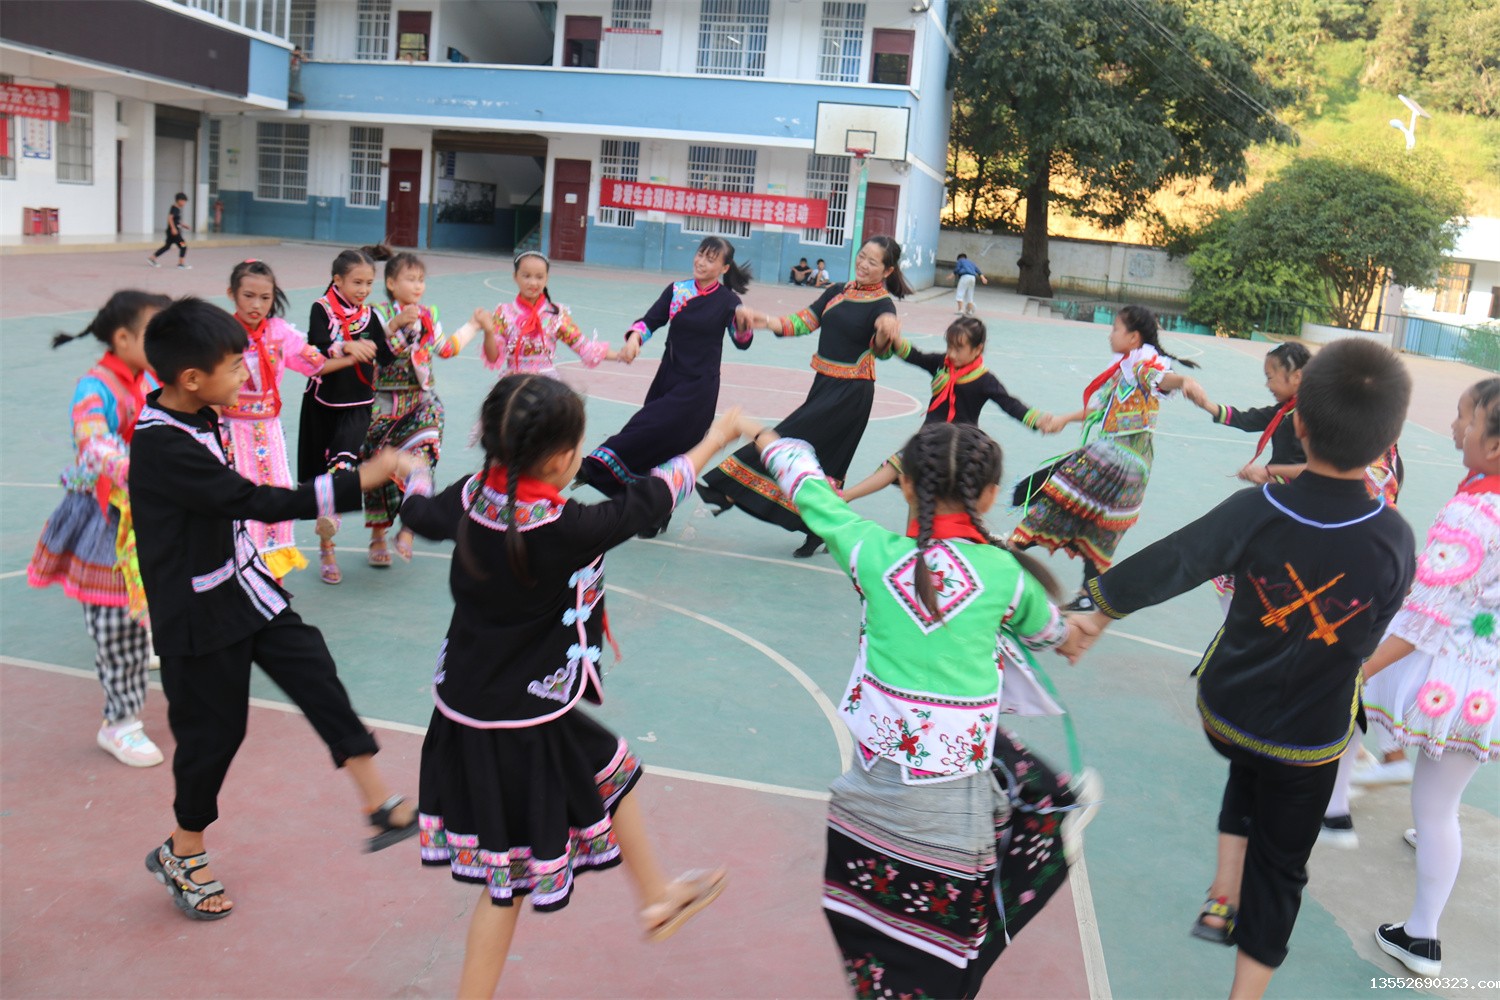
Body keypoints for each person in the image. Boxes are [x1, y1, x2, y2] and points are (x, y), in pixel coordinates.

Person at [1069, 338, 1416, 999]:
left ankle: (1222, 895)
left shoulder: (1258, 508)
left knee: (1250, 763)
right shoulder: (1394, 537)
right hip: (1311, 740)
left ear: (1299, 424)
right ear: (1387, 442)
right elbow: (1372, 632)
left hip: (1229, 714)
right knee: (1281, 869)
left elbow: (1178, 558)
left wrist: (1098, 608)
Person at [399, 375, 737, 996]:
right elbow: (651, 499)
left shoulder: (470, 497)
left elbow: (418, 511)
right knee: (507, 885)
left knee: (612, 766)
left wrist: (413, 471)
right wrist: (718, 436)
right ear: (560, 458)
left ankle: (657, 896)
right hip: (518, 725)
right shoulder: (563, 527)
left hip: (478, 704)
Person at [735, 418, 1085, 998]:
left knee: (877, 954)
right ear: (990, 496)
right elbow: (1051, 632)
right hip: (951, 827)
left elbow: (811, 491)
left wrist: (771, 440)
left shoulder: (871, 553)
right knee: (1036, 813)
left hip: (866, 808)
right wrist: (1073, 634)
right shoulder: (1004, 576)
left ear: (905, 487)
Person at [129, 297, 423, 921]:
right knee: (215, 735)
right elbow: (256, 500)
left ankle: (379, 802)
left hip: (243, 585)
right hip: (198, 614)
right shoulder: (162, 445)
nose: (247, 373)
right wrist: (361, 479)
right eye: (235, 366)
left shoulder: (199, 413)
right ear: (191, 378)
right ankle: (184, 848)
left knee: (313, 667)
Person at [1360, 377, 1500, 977]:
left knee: (1435, 808)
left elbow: (1425, 616)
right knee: (1443, 802)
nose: (1454, 426)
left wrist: (1363, 668)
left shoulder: (1474, 510)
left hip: (1453, 674)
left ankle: (1421, 937)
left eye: (1466, 418)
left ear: (1493, 443)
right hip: (1486, 674)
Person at [697, 236, 911, 557]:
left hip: (850, 394)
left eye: (873, 262)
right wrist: (765, 321)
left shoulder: (884, 306)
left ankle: (728, 492)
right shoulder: (837, 291)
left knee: (785, 441)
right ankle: (816, 529)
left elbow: (882, 350)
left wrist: (885, 330)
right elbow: (804, 321)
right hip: (823, 386)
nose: (863, 264)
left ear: (888, 270)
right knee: (819, 463)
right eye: (862, 256)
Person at [28, 290, 171, 766]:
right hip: (108, 518)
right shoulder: (95, 388)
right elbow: (93, 443)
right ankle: (120, 722)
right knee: (114, 624)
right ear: (123, 338)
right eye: (155, 332)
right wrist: (137, 470)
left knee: (155, 597)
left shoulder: (152, 376)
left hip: (152, 511)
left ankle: (145, 638)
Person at [1010, 304, 1200, 599]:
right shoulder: (1124, 369)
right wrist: (1063, 419)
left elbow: (1161, 378)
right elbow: (1099, 408)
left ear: (1134, 337)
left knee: (1059, 497)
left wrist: (1184, 380)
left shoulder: (1141, 366)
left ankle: (1015, 546)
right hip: (1129, 462)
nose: (1110, 334)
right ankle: (1088, 593)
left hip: (1119, 458)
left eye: (1115, 329)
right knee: (1102, 526)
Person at [576, 236, 754, 536]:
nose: (701, 262)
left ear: (724, 268)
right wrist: (635, 339)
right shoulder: (677, 290)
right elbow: (650, 321)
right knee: (658, 445)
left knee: (648, 432)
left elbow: (742, 341)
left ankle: (592, 467)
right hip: (668, 378)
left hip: (699, 388)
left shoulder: (729, 302)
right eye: (700, 254)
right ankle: (655, 511)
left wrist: (744, 324)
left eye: (711, 259)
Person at [221, 259, 375, 580]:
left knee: (276, 500)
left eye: (265, 298)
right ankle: (238, 578)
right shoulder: (220, 334)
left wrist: (351, 357)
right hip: (231, 433)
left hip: (269, 433)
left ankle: (271, 581)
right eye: (248, 296)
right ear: (231, 294)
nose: (257, 305)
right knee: (235, 504)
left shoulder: (279, 332)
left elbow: (315, 364)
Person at [842, 316, 1056, 502]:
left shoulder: (985, 380)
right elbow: (915, 356)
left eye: (958, 349)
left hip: (958, 446)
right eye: (949, 347)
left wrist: (1037, 420)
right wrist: (894, 336)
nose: (952, 354)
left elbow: (1009, 404)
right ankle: (846, 496)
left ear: (978, 349)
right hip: (929, 439)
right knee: (900, 469)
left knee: (937, 498)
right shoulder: (941, 364)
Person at [363, 251, 484, 566]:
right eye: (410, 279)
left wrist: (473, 325)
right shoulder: (378, 313)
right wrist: (395, 324)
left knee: (422, 460)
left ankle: (409, 527)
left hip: (420, 403)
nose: (418, 286)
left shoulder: (429, 314)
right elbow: (373, 344)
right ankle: (377, 535)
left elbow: (446, 348)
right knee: (380, 469)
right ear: (391, 283)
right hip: (382, 405)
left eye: (421, 280)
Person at [1184, 342, 1310, 615]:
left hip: (1296, 509)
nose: (1267, 384)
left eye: (1270, 377)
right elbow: (1247, 419)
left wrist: (1269, 473)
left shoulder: (1309, 416)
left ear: (1296, 376)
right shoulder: (1285, 410)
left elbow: (1315, 469)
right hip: (1280, 499)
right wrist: (1206, 405)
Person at [297, 245, 395, 584]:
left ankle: (333, 518)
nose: (364, 290)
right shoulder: (321, 308)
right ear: (337, 280)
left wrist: (405, 330)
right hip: (322, 403)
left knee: (343, 461)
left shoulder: (371, 316)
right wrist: (346, 346)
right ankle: (326, 548)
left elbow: (385, 356)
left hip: (358, 405)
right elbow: (316, 346)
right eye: (357, 282)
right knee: (319, 475)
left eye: (369, 283)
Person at [480, 250, 618, 378]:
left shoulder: (555, 315)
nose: (533, 282)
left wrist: (620, 355)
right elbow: (492, 357)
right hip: (514, 382)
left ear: (546, 279)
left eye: (539, 277)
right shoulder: (504, 313)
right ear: (515, 277)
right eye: (526, 276)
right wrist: (488, 331)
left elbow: (583, 346)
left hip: (545, 384)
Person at [147, 193, 190, 270]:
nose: (184, 203)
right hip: (174, 233)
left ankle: (152, 258)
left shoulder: (176, 208)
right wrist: (173, 228)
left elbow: (176, 221)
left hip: (172, 233)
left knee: (167, 246)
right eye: (184, 201)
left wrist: (183, 225)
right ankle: (181, 264)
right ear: (179, 200)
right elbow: (170, 218)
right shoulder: (174, 208)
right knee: (183, 246)